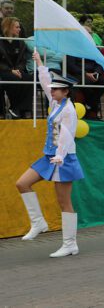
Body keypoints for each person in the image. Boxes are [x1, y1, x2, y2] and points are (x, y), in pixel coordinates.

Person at [15, 51, 82, 257]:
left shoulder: (69, 110)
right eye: (52, 89)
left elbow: (67, 135)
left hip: (63, 158)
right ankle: (38, 222)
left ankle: (70, 244)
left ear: (66, 92)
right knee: (22, 183)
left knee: (64, 202)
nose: (51, 91)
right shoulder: (56, 103)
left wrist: (60, 156)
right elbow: (45, 82)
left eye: (56, 89)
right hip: (49, 156)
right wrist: (39, 62)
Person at [0, 17, 32, 118]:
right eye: (17, 27)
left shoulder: (20, 42)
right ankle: (15, 108)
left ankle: (24, 109)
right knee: (13, 78)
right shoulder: (1, 41)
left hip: (16, 70)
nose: (20, 29)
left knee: (29, 78)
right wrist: (10, 70)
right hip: (3, 71)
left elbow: (23, 60)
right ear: (8, 28)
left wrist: (18, 69)